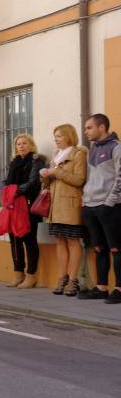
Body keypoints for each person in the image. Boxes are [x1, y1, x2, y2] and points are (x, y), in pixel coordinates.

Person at [39, 125, 87, 296]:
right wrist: (45, 176)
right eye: (55, 136)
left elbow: (79, 179)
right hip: (56, 205)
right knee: (59, 241)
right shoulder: (56, 155)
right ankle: (62, 278)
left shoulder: (78, 153)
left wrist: (56, 172)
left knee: (73, 241)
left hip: (70, 205)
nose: (56, 139)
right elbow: (50, 182)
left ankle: (73, 280)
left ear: (69, 136)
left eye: (59, 136)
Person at [79, 114, 121, 303]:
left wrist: (109, 202)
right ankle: (102, 287)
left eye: (89, 128)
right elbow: (89, 178)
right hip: (90, 206)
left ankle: (119, 289)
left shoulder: (116, 148)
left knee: (116, 249)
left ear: (101, 127)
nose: (86, 131)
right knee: (98, 248)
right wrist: (85, 199)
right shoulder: (91, 150)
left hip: (110, 207)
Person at [2, 135, 46, 289]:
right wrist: (7, 190)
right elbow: (7, 181)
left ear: (31, 145)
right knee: (15, 241)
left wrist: (14, 191)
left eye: (24, 143)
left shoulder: (36, 160)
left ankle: (31, 275)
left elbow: (34, 182)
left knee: (29, 240)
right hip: (14, 206)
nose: (21, 146)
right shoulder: (14, 162)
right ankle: (18, 273)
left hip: (28, 205)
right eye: (18, 144)